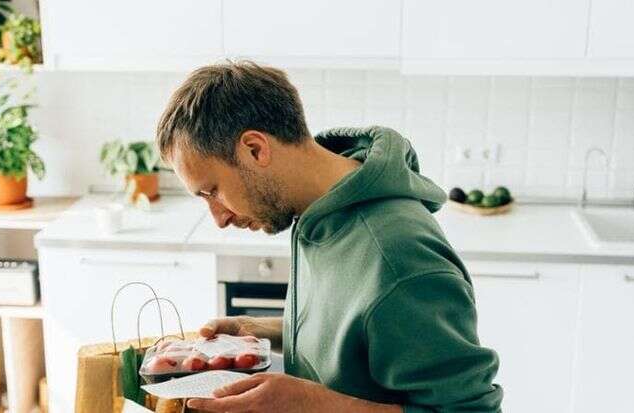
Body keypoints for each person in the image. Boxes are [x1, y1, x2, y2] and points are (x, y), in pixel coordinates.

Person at [156, 61, 503, 413]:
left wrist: (312, 404)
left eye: (212, 191)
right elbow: (358, 331)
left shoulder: (399, 255)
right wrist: (257, 329)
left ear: (255, 149)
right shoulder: (317, 215)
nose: (218, 218)